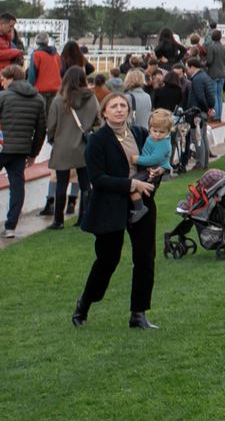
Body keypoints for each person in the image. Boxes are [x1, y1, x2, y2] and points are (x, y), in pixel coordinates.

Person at [72, 92, 160, 330]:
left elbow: (155, 161)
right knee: (107, 260)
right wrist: (132, 184)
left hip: (142, 205)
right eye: (114, 106)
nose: (120, 109)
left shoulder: (141, 134)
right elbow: (97, 179)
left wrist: (154, 175)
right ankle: (84, 303)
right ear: (105, 112)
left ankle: (138, 313)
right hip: (110, 206)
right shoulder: (97, 140)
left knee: (145, 258)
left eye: (123, 105)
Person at [45, 66, 99, 229]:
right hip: (83, 144)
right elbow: (98, 121)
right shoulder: (91, 98)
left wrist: (53, 140)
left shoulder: (58, 100)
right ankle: (84, 217)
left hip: (62, 145)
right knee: (85, 184)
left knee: (61, 183)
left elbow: (52, 125)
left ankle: (59, 220)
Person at [0, 65, 48, 238]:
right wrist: (34, 153)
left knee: (16, 186)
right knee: (17, 187)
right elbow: (41, 130)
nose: (2, 83)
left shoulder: (3, 97)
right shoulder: (38, 99)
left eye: (3, 79)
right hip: (21, 150)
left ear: (11, 78)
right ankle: (10, 226)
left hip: (2, 147)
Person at [204, 29, 225, 120]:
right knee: (219, 95)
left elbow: (209, 61)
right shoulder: (224, 48)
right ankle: (220, 115)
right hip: (222, 73)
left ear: (212, 37)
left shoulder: (211, 47)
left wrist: (204, 63)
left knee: (214, 95)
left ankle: (216, 115)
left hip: (213, 73)